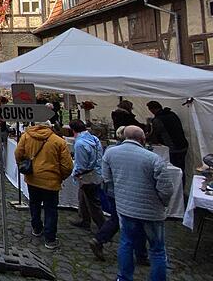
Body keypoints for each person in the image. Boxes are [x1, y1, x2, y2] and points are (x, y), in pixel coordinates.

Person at [102, 125, 173, 281]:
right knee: (157, 250)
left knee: (126, 243)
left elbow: (107, 180)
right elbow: (166, 189)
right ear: (143, 139)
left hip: (126, 208)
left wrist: (120, 196)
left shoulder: (110, 153)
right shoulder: (153, 158)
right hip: (152, 211)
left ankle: (124, 277)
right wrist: (163, 203)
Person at [89, 126, 149, 265]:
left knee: (116, 218)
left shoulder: (110, 151)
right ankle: (140, 254)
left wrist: (111, 186)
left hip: (114, 192)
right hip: (134, 193)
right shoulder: (146, 155)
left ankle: (99, 240)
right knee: (138, 223)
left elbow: (105, 175)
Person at [14, 121, 73, 249]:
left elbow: (18, 153)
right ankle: (50, 238)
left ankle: (36, 228)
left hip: (32, 178)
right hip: (51, 180)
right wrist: (60, 176)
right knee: (50, 208)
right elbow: (67, 166)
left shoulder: (26, 136)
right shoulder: (58, 141)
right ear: (50, 126)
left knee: (34, 204)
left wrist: (24, 166)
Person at [69, 119, 105, 231]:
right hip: (96, 172)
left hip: (87, 176)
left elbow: (81, 165)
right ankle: (84, 219)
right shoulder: (94, 139)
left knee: (93, 202)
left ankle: (103, 227)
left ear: (73, 130)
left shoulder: (80, 144)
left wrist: (75, 174)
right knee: (83, 197)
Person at [146, 101, 188, 176]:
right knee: (181, 169)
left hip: (173, 148)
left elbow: (154, 135)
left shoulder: (158, 120)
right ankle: (182, 185)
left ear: (152, 109)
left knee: (173, 170)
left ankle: (176, 186)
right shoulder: (172, 114)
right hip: (183, 144)